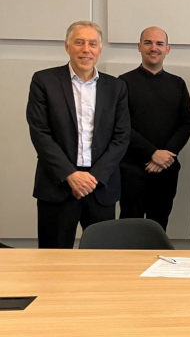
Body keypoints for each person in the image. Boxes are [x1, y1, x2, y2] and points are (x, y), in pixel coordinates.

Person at [26, 20, 130, 248]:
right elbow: (40, 133)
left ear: (100, 50)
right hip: (58, 185)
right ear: (67, 46)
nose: (86, 49)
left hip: (100, 185)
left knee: (101, 261)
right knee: (53, 261)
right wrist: (70, 174)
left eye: (92, 44)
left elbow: (121, 136)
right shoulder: (44, 81)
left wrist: (94, 177)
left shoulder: (116, 87)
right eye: (79, 42)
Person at [118, 27, 190, 231]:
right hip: (131, 169)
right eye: (149, 43)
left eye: (160, 44)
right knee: (129, 228)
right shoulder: (123, 83)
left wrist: (165, 156)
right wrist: (152, 153)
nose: (154, 48)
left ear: (167, 49)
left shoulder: (177, 84)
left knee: (158, 227)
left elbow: (187, 122)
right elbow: (121, 125)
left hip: (166, 169)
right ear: (139, 47)